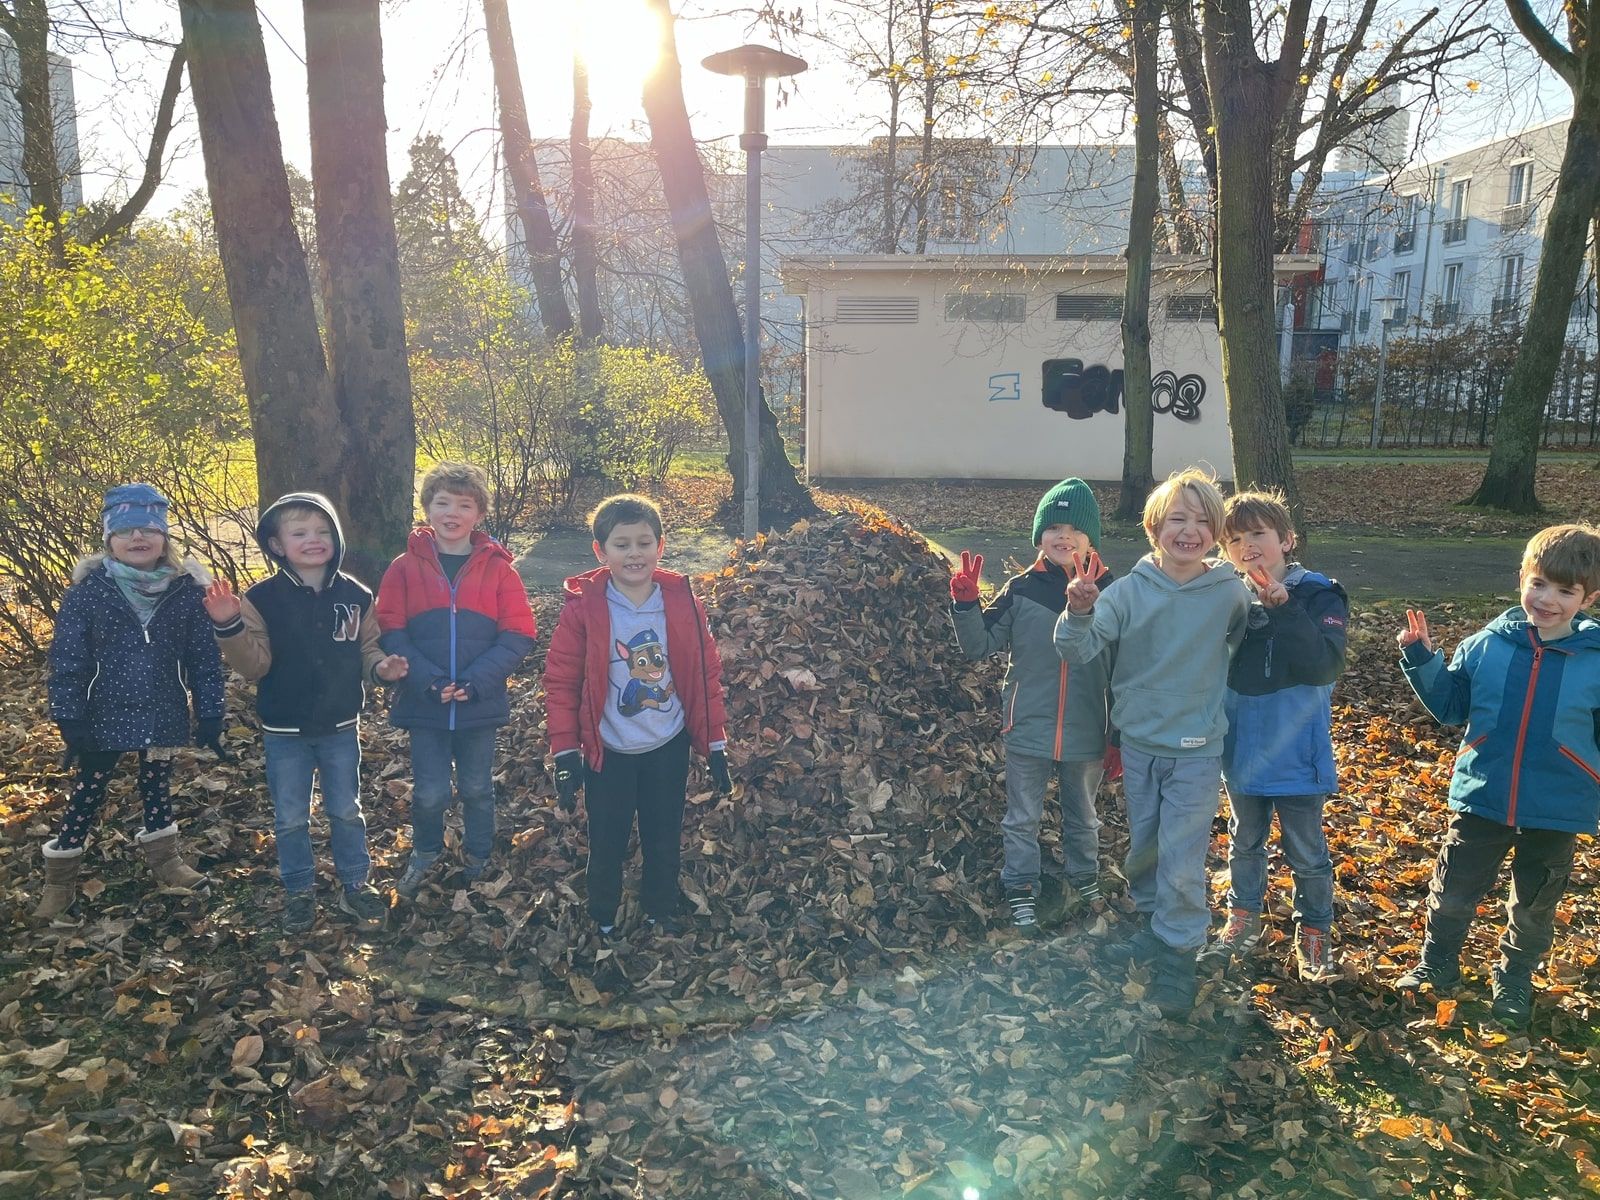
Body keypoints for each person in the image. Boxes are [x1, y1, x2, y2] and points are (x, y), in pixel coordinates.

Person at [1055, 467, 1251, 1017]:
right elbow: (1078, 650)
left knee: (1183, 859)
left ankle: (1179, 955)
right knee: (1145, 847)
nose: (1188, 531)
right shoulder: (1127, 592)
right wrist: (1079, 610)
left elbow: (1243, 646)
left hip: (1196, 750)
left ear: (1215, 532)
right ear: (1154, 526)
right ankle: (1154, 927)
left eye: (1201, 522)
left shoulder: (1229, 593)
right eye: (1176, 520)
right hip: (1140, 744)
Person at [1395, 523, 1600, 1026]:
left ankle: (1512, 983)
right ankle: (1436, 966)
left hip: (1557, 806)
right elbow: (1451, 705)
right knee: (1453, 891)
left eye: (1565, 591)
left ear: (1589, 597)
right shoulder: (1487, 644)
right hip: (1482, 795)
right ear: (1521, 579)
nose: (1547, 599)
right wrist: (1420, 658)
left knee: (1533, 905)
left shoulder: (1595, 661)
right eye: (1538, 584)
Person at [204, 492, 406, 933]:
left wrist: (383, 668)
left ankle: (356, 885)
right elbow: (254, 665)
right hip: (284, 729)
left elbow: (368, 649)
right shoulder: (261, 598)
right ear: (277, 545)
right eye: (299, 533)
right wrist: (228, 625)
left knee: (346, 811)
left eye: (322, 532)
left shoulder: (355, 594)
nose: (313, 540)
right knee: (291, 817)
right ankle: (298, 891)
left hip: (339, 726)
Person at [544, 493, 732, 940]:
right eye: (622, 544)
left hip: (667, 746)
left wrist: (715, 745)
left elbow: (704, 675)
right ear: (600, 551)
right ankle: (603, 915)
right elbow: (562, 682)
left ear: (660, 546)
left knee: (663, 836)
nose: (634, 554)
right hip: (608, 751)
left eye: (644, 543)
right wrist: (566, 754)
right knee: (606, 840)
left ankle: (658, 910)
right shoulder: (583, 610)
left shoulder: (683, 603)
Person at [34, 484, 223, 923]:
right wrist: (68, 715)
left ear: (164, 538)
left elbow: (203, 659)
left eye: (148, 530)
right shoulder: (87, 593)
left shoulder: (187, 592)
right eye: (126, 531)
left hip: (162, 708)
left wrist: (210, 709)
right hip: (103, 712)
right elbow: (68, 660)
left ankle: (166, 860)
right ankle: (59, 880)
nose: (138, 539)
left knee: (156, 784)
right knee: (87, 791)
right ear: (109, 540)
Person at [949, 477, 1114, 930]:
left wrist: (1115, 734)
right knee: (1022, 816)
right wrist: (965, 606)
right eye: (1053, 527)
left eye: (1074, 529)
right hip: (1027, 725)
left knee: (1084, 816)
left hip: (1087, 728)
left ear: (1090, 539)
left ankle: (1084, 877)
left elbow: (1123, 668)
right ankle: (1021, 884)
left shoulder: (1112, 592)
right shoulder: (1020, 589)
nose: (1063, 536)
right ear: (1039, 536)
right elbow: (979, 646)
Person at [1205, 490, 1348, 981]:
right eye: (1235, 539)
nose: (1247, 546)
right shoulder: (1226, 595)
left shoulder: (1320, 593)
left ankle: (1315, 930)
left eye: (1258, 534)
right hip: (1241, 744)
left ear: (1287, 539)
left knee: (1305, 847)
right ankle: (1242, 917)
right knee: (1244, 840)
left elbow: (1324, 665)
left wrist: (1285, 609)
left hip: (1296, 748)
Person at [378, 462, 536, 897]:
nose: (452, 512)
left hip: (477, 703)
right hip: (424, 702)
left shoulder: (499, 569)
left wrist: (474, 682)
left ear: (479, 514)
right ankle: (425, 852)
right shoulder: (404, 568)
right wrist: (428, 680)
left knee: (476, 788)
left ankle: (479, 856)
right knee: (429, 792)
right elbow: (390, 628)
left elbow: (519, 633)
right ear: (427, 508)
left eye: (464, 505)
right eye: (442, 502)